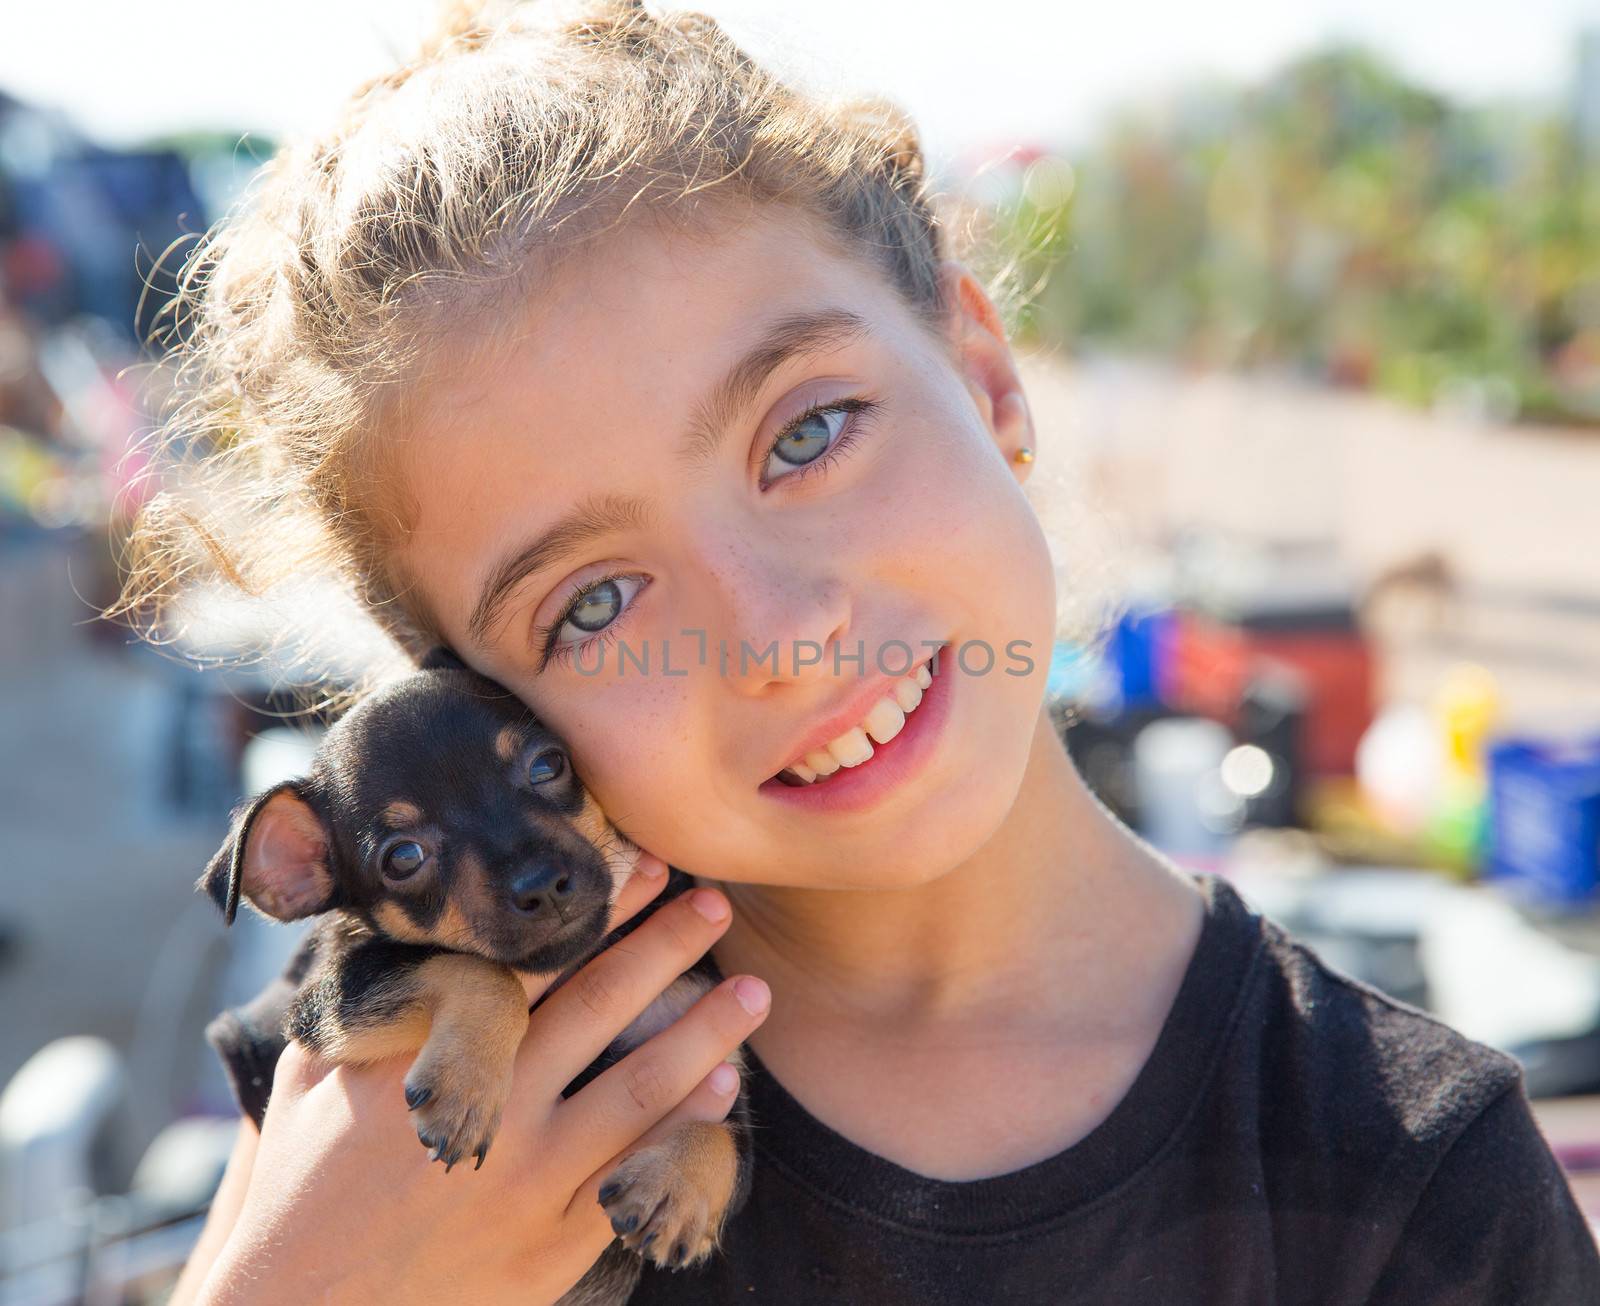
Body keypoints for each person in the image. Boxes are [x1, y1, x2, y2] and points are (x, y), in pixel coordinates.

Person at [117, 2, 1600, 1302]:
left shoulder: (1407, 1177)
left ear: (987, 375)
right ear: (471, 697)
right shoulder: (374, 1118)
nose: (780, 631)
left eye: (808, 433)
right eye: (591, 603)